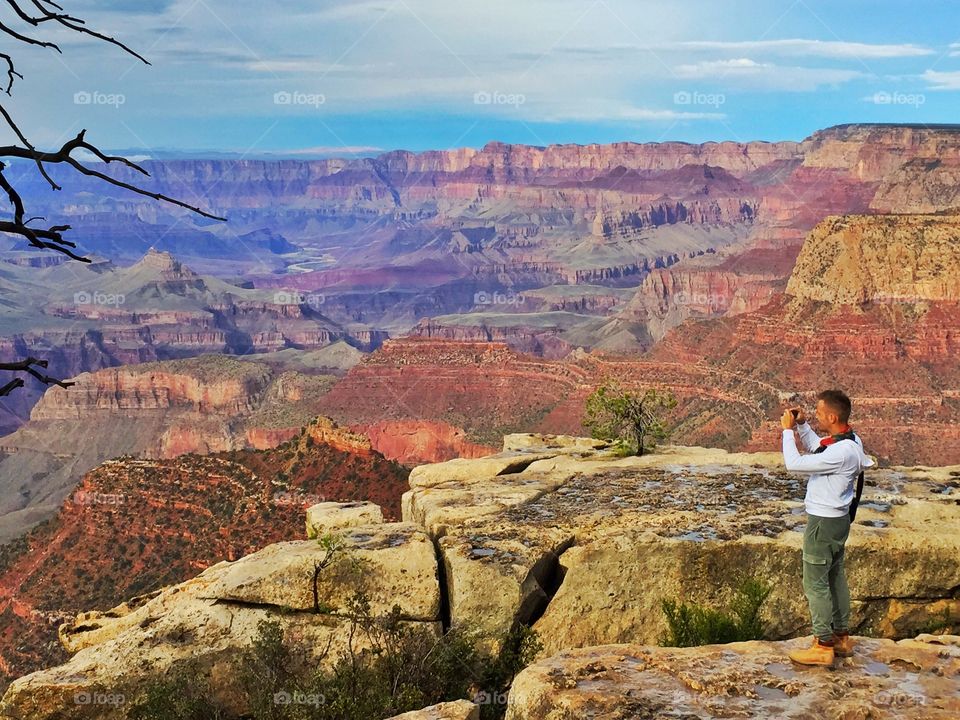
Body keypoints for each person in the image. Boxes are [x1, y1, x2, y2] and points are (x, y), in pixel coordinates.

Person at [779, 389, 875, 666]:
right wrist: (802, 425)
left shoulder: (842, 453)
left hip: (823, 523)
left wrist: (787, 432)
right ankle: (842, 637)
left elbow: (794, 464)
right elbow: (819, 448)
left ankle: (823, 645)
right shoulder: (849, 440)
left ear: (832, 416)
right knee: (835, 577)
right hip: (838, 520)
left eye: (819, 413)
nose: (817, 415)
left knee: (815, 582)